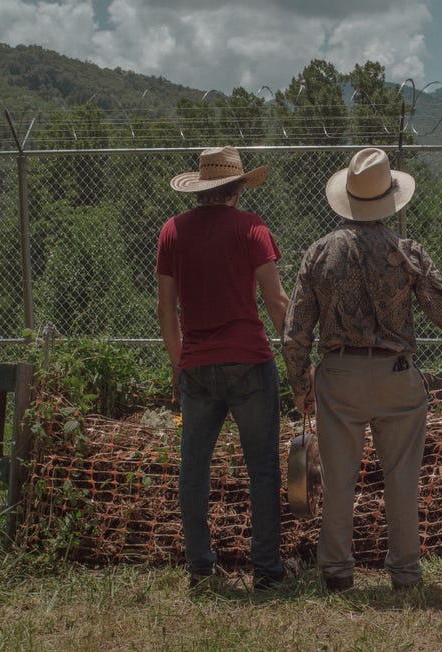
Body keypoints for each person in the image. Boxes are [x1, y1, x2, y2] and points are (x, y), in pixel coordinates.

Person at [282, 147, 442, 592]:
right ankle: (406, 572)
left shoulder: (319, 253)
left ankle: (337, 571)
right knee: (402, 480)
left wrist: (302, 383)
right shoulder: (406, 252)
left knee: (338, 481)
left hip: (338, 377)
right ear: (389, 199)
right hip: (397, 376)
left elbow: (295, 329)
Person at [155, 145, 290, 591]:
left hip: (197, 363)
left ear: (202, 187)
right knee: (263, 468)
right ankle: (267, 570)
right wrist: (297, 356)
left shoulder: (172, 231)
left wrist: (179, 364)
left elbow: (166, 309)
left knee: (194, 469)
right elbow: (275, 300)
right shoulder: (252, 228)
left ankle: (199, 567)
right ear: (237, 187)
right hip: (249, 361)